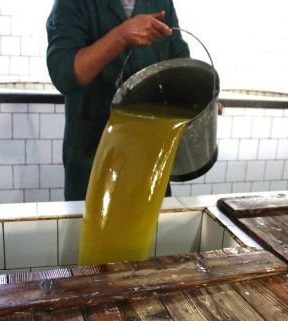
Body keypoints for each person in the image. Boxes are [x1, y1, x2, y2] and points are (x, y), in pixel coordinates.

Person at [46, 0, 190, 201]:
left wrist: (198, 94)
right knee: (92, 228)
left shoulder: (161, 2)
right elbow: (64, 74)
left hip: (151, 159)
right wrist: (121, 35)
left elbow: (179, 58)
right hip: (93, 159)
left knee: (151, 230)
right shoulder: (72, 3)